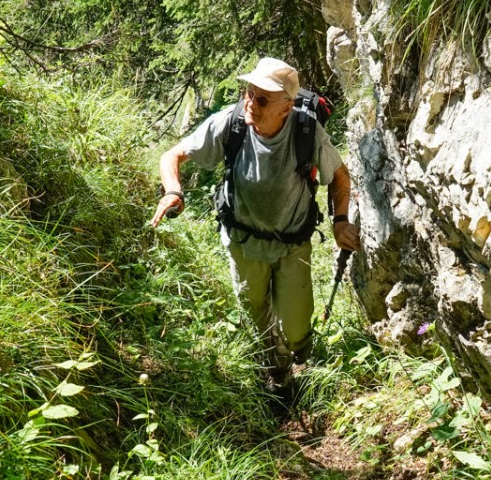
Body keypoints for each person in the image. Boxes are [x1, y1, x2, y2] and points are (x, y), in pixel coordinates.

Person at [149, 57, 360, 396]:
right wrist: (174, 191)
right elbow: (171, 156)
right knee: (256, 317)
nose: (250, 103)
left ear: (286, 107)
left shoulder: (306, 131)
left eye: (262, 99)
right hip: (243, 242)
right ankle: (278, 376)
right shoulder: (231, 124)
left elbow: (339, 175)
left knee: (295, 326)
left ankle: (301, 360)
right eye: (249, 93)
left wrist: (340, 221)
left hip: (292, 245)